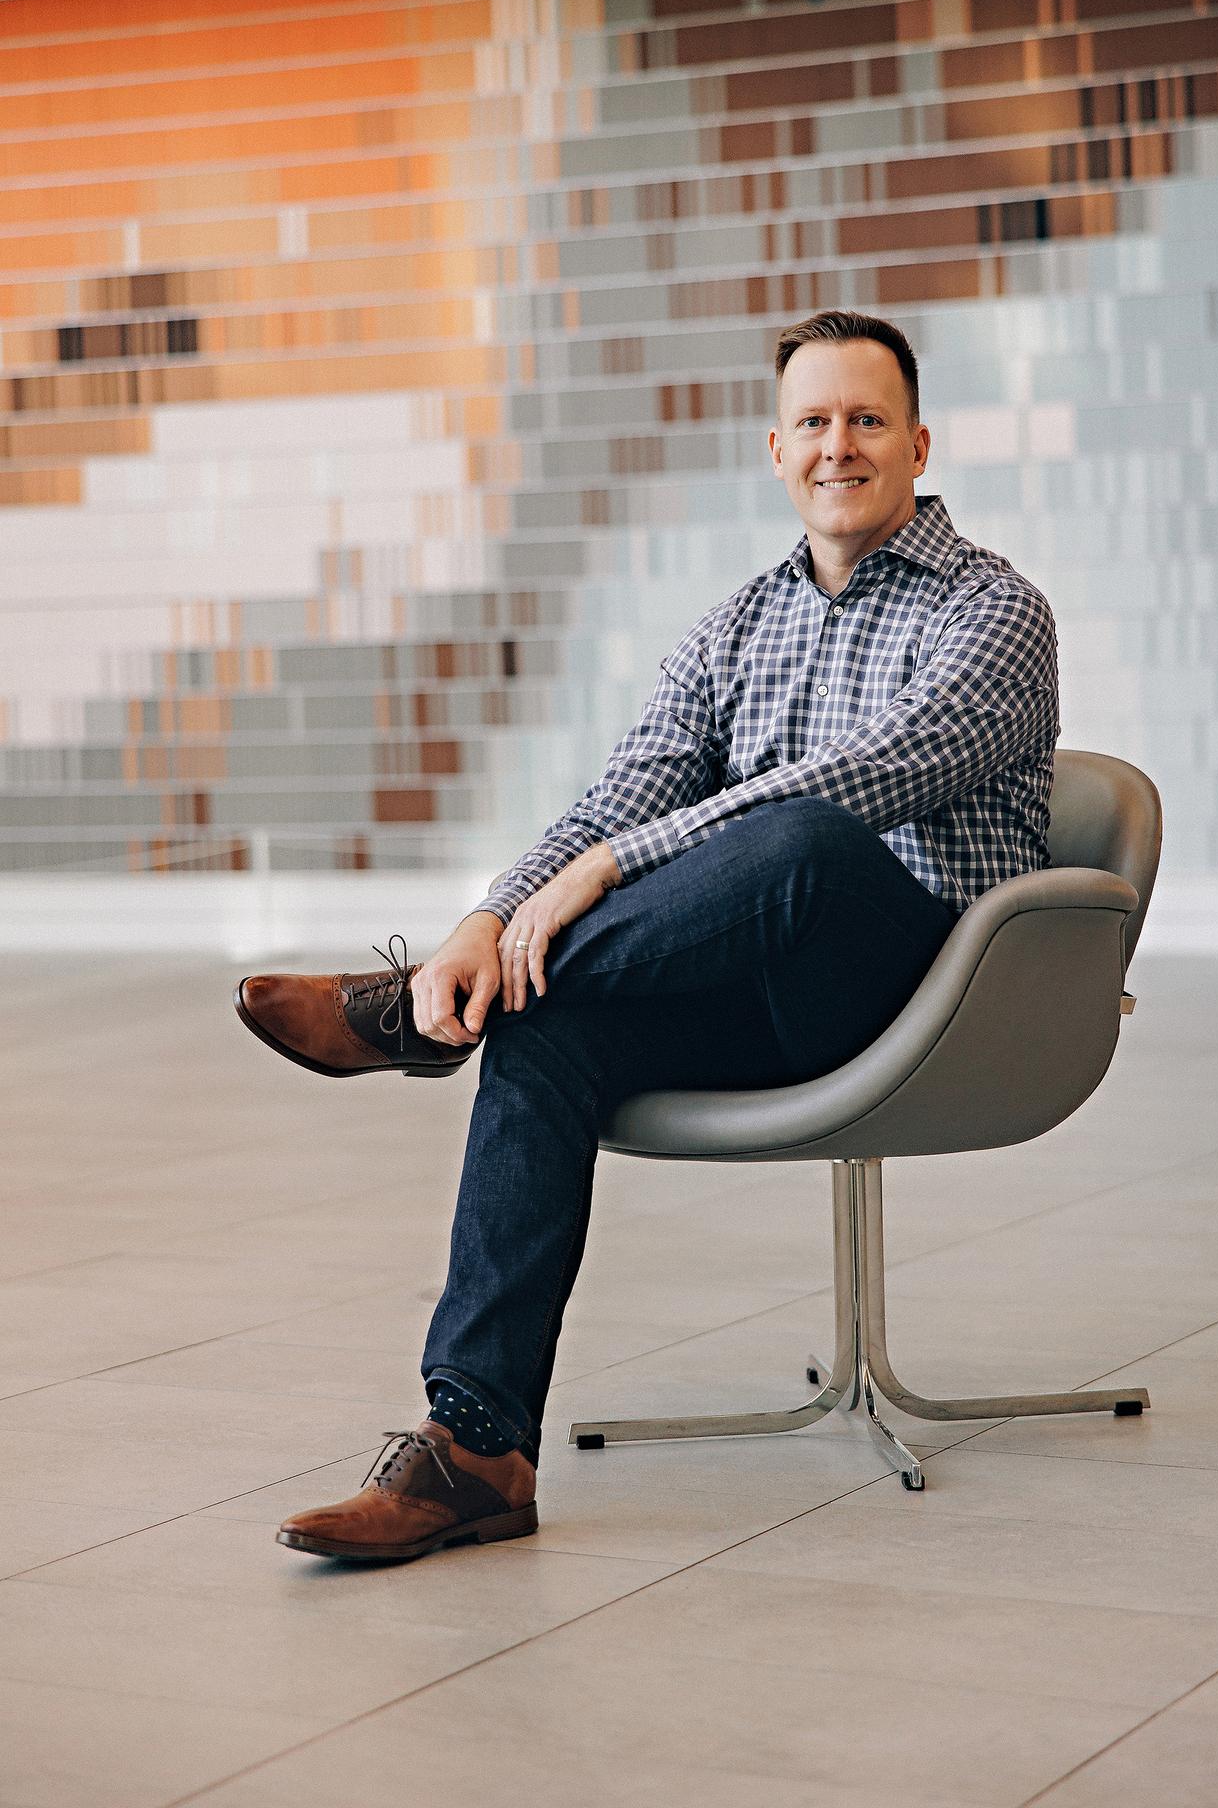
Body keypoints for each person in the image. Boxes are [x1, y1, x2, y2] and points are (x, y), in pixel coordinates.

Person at [236, 308, 1059, 1562]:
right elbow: (628, 783)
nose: (840, 443)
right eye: (815, 420)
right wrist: (490, 913)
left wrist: (612, 870)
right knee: (545, 1027)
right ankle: (477, 1447)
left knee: (799, 834)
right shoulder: (734, 625)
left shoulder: (994, 612)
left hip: (922, 985)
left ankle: (411, 1017)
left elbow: (859, 782)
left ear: (918, 444)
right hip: (760, 988)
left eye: (868, 419)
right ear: (774, 449)